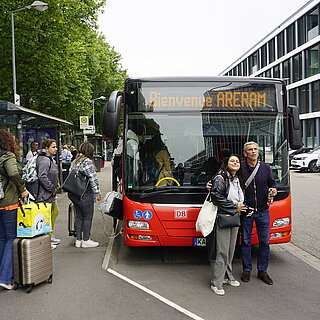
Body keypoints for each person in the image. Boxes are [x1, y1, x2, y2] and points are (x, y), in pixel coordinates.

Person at [208, 154, 246, 296]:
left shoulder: (237, 179)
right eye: (232, 161)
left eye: (237, 161)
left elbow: (240, 197)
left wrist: (244, 208)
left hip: (234, 218)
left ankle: (227, 277)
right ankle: (216, 282)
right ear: (226, 163)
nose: (235, 163)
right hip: (223, 217)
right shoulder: (220, 177)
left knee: (230, 250)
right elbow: (216, 196)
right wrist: (233, 207)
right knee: (222, 251)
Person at [240, 141, 277, 285]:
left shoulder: (265, 168)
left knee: (265, 242)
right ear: (245, 153)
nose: (253, 151)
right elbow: (227, 177)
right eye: (250, 149)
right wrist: (211, 183)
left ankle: (263, 271)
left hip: (263, 211)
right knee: (246, 242)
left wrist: (273, 190)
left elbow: (272, 184)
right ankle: (247, 270)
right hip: (247, 211)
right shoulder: (241, 168)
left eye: (255, 149)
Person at [0, 129, 28, 290]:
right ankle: (5, 278)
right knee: (11, 238)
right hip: (9, 202)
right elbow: (13, 172)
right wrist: (22, 188)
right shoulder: (8, 156)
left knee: (2, 239)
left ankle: (2, 274)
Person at [68, 142, 102, 248]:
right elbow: (92, 178)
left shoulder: (75, 161)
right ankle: (86, 239)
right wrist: (97, 192)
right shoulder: (87, 161)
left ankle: (78, 240)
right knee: (88, 216)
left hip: (74, 193)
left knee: (78, 216)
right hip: (84, 194)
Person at [35, 139, 60, 249]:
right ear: (46, 148)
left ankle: (49, 236)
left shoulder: (48, 159)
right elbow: (42, 176)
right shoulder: (45, 160)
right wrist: (51, 188)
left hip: (49, 193)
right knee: (45, 217)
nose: (56, 149)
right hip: (44, 194)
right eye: (53, 147)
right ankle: (45, 241)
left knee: (53, 213)